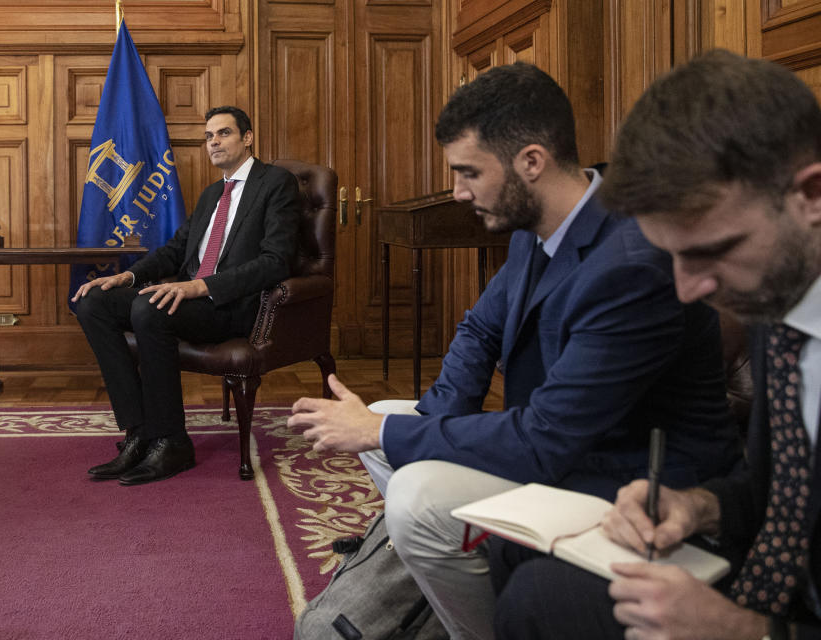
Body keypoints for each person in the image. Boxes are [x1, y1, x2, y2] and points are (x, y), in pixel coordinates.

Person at [288, 62, 741, 639]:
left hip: (633, 488)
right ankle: (453, 575)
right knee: (389, 420)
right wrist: (428, 422)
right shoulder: (539, 225)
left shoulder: (630, 263)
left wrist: (386, 438)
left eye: (470, 172)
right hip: (563, 452)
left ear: (531, 162)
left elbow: (549, 439)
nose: (456, 192)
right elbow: (480, 330)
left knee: (415, 493)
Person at [491, 49, 821, 640]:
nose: (688, 289)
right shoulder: (782, 302)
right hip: (763, 575)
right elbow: (786, 499)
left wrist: (745, 631)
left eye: (710, 250)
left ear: (811, 195)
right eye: (671, 255)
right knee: (518, 561)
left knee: (540, 598)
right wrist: (697, 505)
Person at [72, 106, 300, 486]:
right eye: (209, 136)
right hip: (189, 299)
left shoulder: (276, 184)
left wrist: (202, 286)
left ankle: (172, 441)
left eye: (224, 133)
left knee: (150, 306)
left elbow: (275, 262)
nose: (214, 142)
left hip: (229, 305)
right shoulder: (213, 194)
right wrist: (128, 276)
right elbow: (176, 251)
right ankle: (139, 432)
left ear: (247, 138)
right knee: (93, 302)